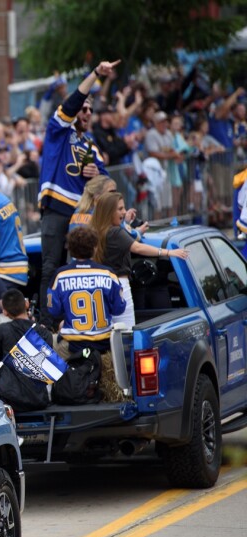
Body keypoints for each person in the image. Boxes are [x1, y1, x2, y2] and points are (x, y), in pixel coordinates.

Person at [38, 59, 119, 325]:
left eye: (89, 111)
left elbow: (109, 185)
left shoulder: (91, 147)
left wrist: (98, 175)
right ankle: (46, 325)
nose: (85, 113)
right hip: (56, 208)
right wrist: (96, 74)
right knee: (50, 266)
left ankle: (77, 320)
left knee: (81, 269)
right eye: (82, 109)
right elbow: (73, 101)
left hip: (82, 215)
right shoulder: (58, 131)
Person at [88, 193, 188, 327]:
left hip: (98, 285)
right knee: (126, 331)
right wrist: (168, 252)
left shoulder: (96, 231)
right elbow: (138, 248)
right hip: (119, 285)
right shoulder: (115, 232)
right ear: (108, 211)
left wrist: (127, 224)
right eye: (120, 209)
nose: (124, 212)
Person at [47, 227, 126, 353]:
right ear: (94, 248)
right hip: (103, 346)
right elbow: (119, 309)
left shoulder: (60, 275)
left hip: (72, 347)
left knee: (42, 348)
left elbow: (54, 311)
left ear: (70, 249)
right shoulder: (108, 274)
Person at [0, 289, 54, 412]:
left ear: (5, 312)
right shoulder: (45, 333)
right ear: (27, 304)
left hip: (9, 400)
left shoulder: (1, 330)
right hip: (39, 400)